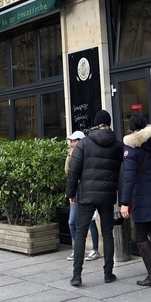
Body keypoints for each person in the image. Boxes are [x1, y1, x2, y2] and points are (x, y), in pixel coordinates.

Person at [66, 109, 123, 287]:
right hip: (107, 196)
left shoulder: (84, 143)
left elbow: (73, 171)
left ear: (95, 123)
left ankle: (77, 275)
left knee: (81, 234)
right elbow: (122, 172)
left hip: (86, 196)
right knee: (107, 234)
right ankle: (108, 273)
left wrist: (70, 193)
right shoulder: (118, 145)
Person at [120, 115, 151, 287]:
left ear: (131, 128)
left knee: (141, 235)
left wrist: (124, 202)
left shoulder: (131, 148)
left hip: (141, 196)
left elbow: (129, 178)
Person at [65, 130, 100, 262]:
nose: (72, 143)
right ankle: (78, 248)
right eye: (71, 141)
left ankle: (95, 249)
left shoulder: (87, 153)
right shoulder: (71, 154)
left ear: (81, 141)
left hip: (86, 190)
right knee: (71, 222)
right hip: (76, 191)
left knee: (90, 220)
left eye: (74, 141)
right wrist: (70, 157)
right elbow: (68, 172)